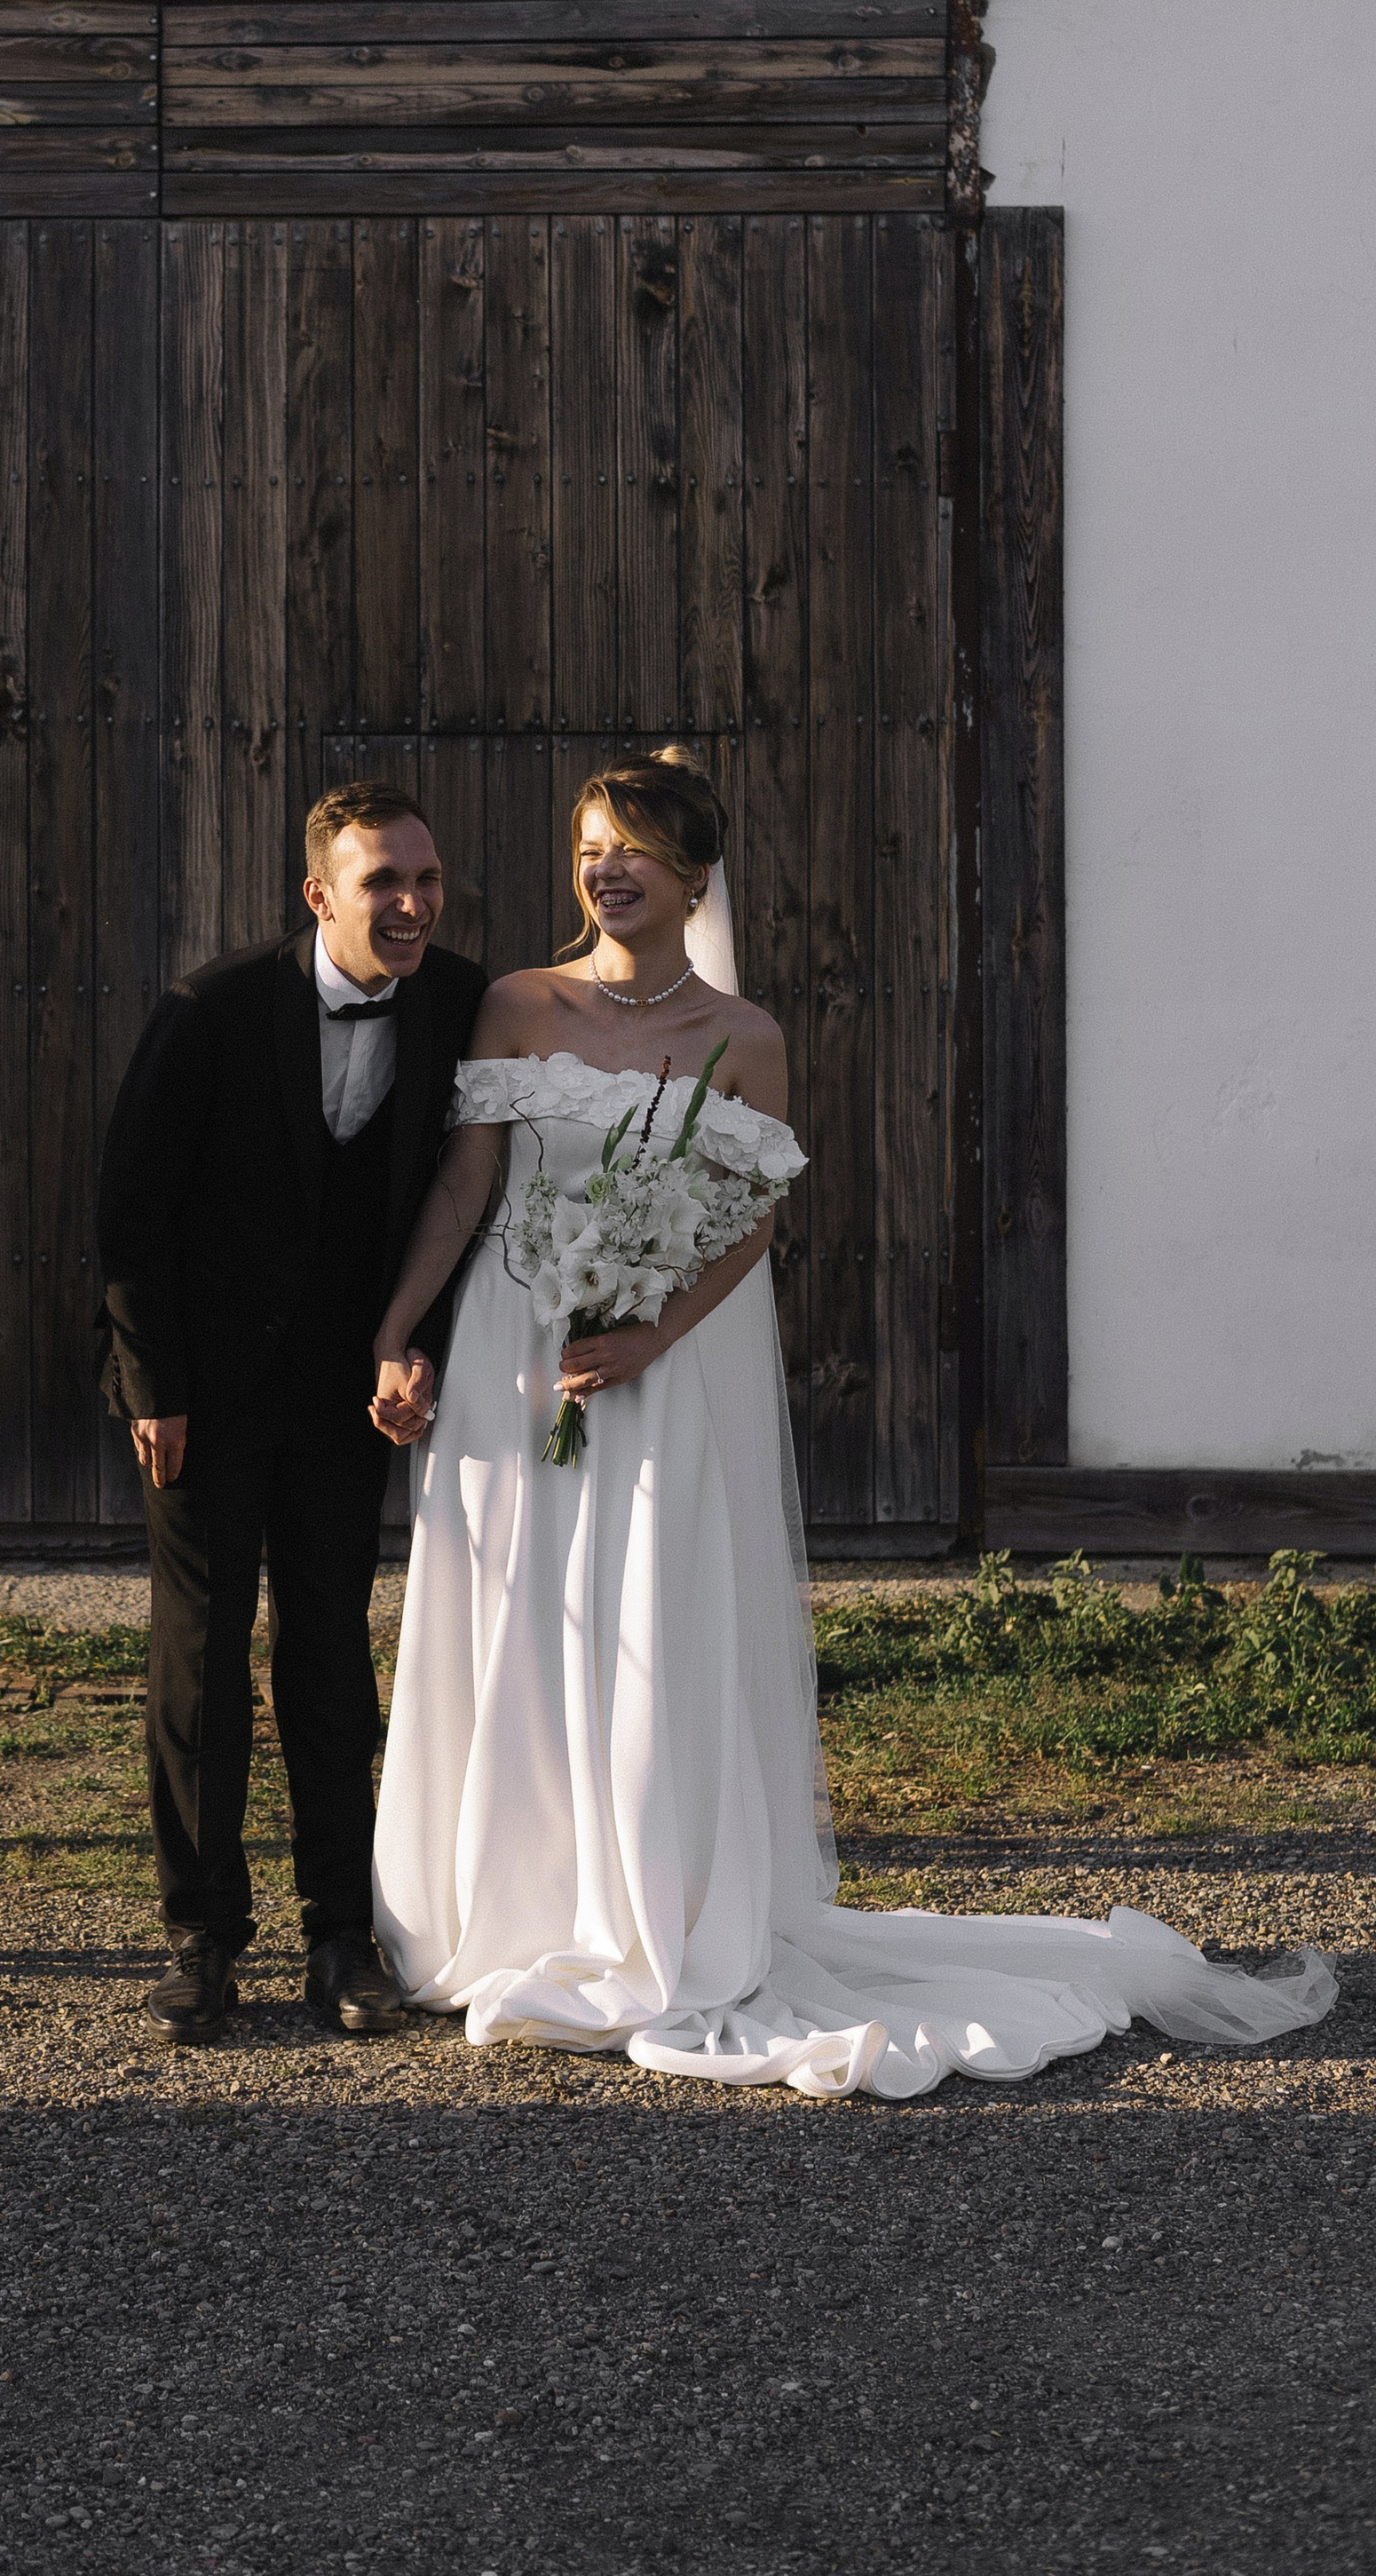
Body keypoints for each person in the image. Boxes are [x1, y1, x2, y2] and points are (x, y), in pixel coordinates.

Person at [364, 752, 1335, 2098]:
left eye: (637, 847)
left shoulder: (743, 1036)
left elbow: (750, 1217)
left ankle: (653, 1909)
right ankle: (516, 1905)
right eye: (592, 845)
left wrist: (650, 1332)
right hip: (512, 1360)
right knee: (520, 1614)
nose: (608, 868)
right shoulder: (517, 1005)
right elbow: (469, 1180)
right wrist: (400, 1329)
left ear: (694, 878)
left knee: (650, 1627)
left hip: (650, 1376)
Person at [97, 784, 487, 2048]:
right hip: (205, 1398)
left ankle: (340, 1933)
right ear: (320, 892)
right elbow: (130, 1212)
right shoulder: (209, 1010)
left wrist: (418, 1349)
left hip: (348, 1396)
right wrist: (154, 1386)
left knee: (331, 1655)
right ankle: (202, 1933)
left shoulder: (464, 1003)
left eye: (426, 878)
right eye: (385, 881)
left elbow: (465, 1200)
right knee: (199, 1661)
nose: (414, 903)